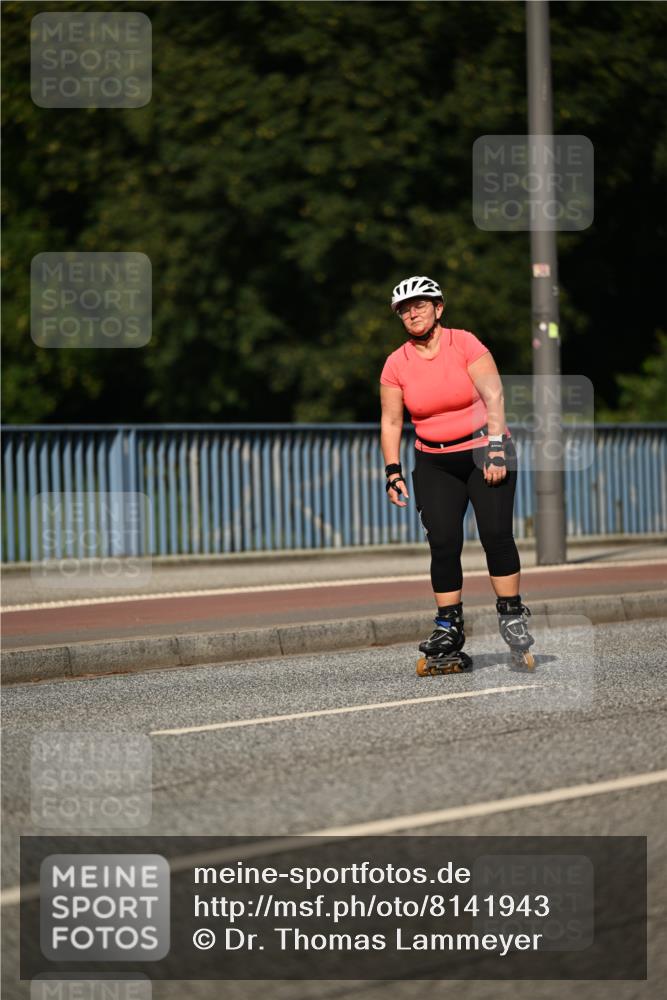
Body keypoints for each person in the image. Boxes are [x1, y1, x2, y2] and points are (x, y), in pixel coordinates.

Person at [379, 275, 535, 672]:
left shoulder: (464, 343)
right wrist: (393, 471)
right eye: (404, 310)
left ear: (438, 308)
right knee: (443, 542)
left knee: (495, 534)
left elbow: (494, 394)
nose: (412, 313)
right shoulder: (396, 363)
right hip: (434, 461)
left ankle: (511, 614)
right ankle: (448, 627)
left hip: (484, 449)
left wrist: (496, 448)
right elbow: (391, 421)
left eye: (419, 305)